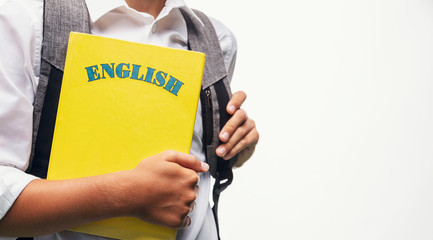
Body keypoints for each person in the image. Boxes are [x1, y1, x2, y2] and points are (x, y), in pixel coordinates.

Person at [0, 0, 259, 239]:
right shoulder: (26, 20)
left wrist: (231, 148)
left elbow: (194, 155)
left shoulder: (215, 37)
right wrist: (124, 195)